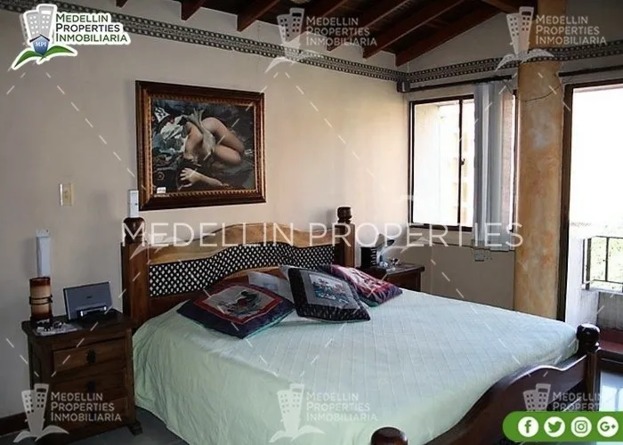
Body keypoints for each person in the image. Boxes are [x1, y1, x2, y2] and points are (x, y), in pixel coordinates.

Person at [178, 110, 247, 190]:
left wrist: (199, 177)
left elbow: (221, 185)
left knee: (238, 155)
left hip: (204, 146)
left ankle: (207, 144)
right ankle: (208, 144)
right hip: (205, 145)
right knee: (239, 154)